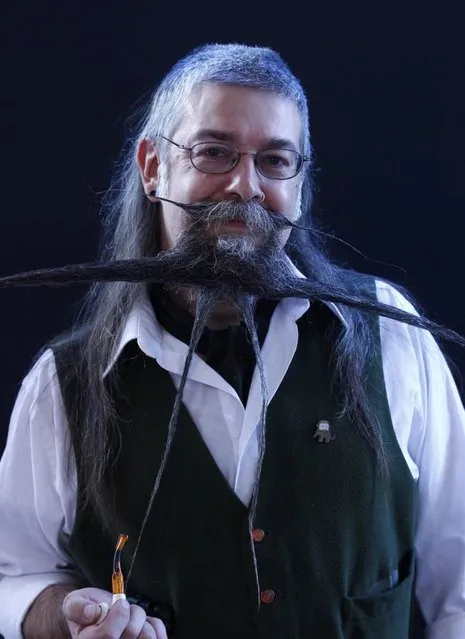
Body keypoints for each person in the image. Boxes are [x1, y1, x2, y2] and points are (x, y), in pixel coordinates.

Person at [0, 42, 464, 639]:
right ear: (152, 167)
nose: (245, 186)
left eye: (275, 160)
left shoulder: (391, 336)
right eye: (214, 152)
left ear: (299, 183)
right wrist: (65, 614)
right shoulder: (64, 385)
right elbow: (12, 575)